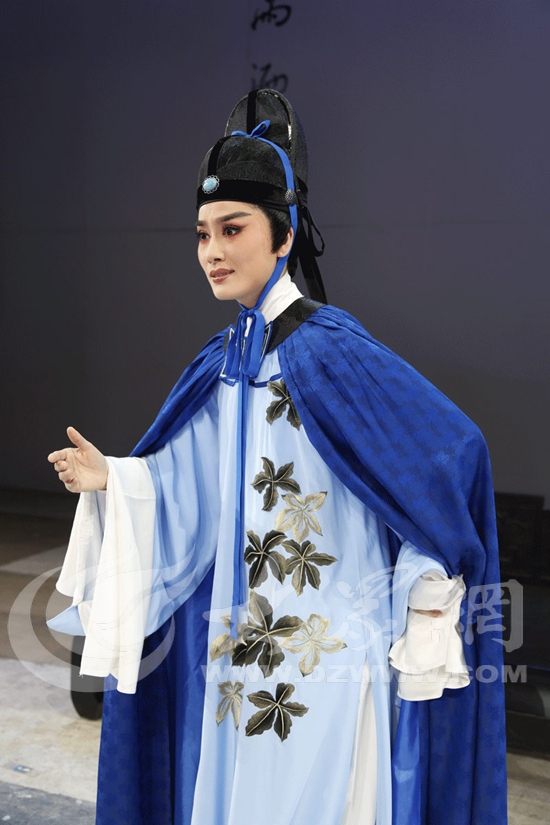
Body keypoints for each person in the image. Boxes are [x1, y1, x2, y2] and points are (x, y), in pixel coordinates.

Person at [47, 90, 507, 825]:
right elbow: (191, 482)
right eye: (202, 233)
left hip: (329, 645)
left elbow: (453, 451)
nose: (212, 251)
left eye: (232, 229)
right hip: (238, 646)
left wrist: (428, 573)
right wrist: (120, 479)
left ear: (284, 236)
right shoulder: (225, 359)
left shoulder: (332, 350)